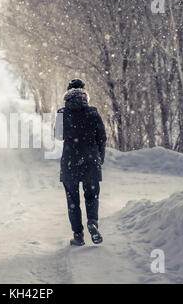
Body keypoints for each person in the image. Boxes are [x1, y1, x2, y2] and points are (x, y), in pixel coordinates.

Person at [54, 78, 107, 246]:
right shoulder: (93, 112)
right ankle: (92, 221)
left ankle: (78, 235)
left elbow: (58, 136)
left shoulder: (62, 113)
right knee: (92, 196)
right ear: (85, 94)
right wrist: (100, 158)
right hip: (91, 160)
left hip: (70, 161)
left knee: (72, 200)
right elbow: (102, 138)